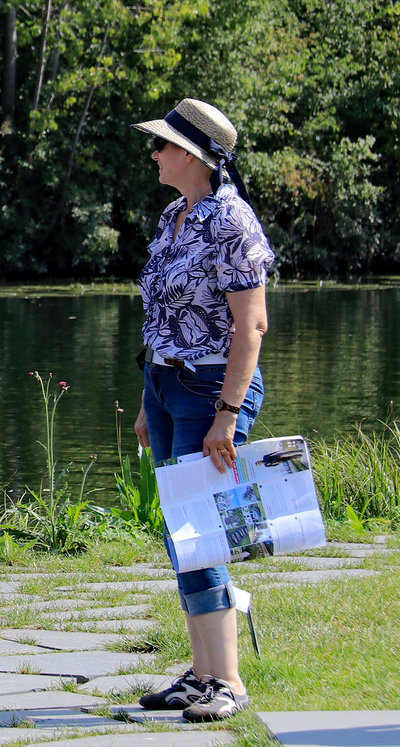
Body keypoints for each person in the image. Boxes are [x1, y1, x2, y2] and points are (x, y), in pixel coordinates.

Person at [130, 98, 274, 723]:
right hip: (166, 389)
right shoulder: (175, 216)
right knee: (182, 534)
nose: (153, 154)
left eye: (160, 145)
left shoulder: (232, 223)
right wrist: (146, 402)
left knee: (203, 532)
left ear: (190, 155)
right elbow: (159, 317)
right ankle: (202, 673)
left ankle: (230, 683)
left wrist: (228, 414)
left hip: (212, 391)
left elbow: (252, 326)